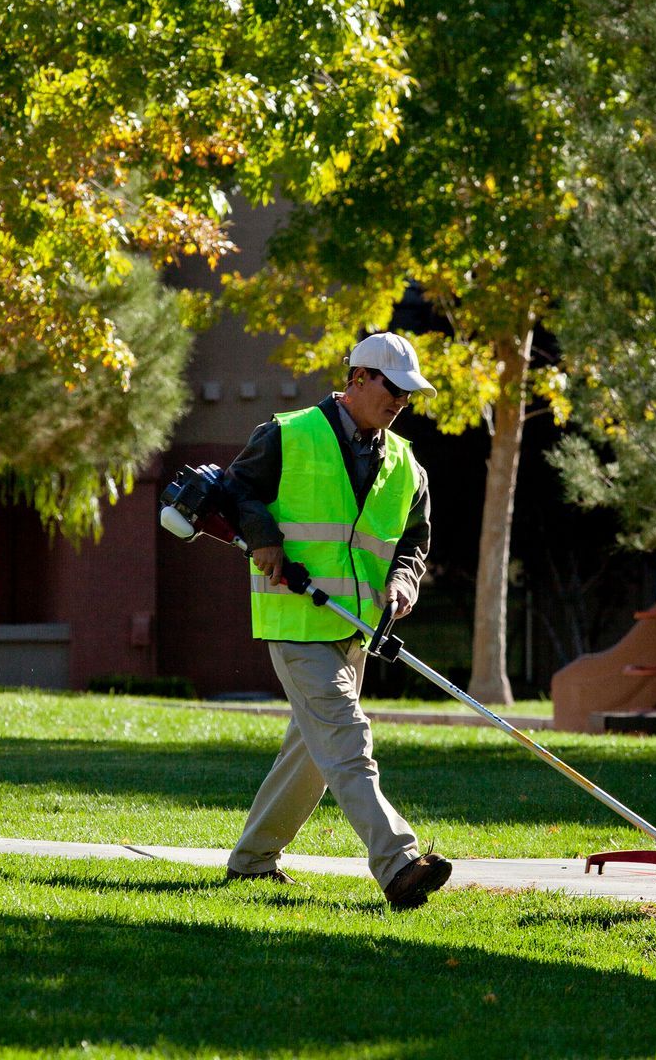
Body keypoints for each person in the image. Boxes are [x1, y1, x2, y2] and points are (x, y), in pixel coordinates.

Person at [219, 331, 453, 909]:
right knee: (347, 739)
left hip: (356, 630)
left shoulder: (406, 464)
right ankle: (398, 864)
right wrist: (264, 540)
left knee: (313, 756)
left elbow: (413, 543)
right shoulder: (288, 433)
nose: (400, 401)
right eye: (392, 388)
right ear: (357, 380)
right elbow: (235, 490)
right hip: (297, 620)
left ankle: (251, 863)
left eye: (408, 393)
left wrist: (402, 583)